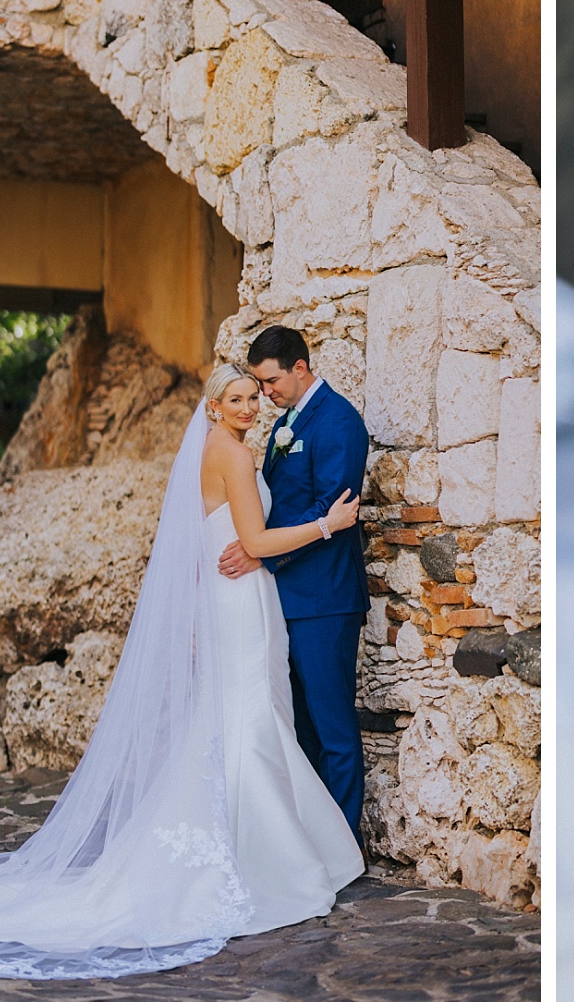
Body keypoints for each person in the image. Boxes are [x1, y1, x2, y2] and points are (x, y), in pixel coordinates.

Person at [0, 364, 363, 978]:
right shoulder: (233, 456)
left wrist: (256, 543)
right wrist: (330, 524)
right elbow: (253, 540)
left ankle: (265, 848)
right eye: (238, 399)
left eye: (255, 397)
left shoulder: (209, 449)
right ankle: (270, 862)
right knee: (252, 716)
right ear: (215, 407)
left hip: (239, 601)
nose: (252, 407)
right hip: (242, 605)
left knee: (241, 715)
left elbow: (231, 539)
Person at [219, 327, 372, 849]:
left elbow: (336, 506)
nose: (264, 395)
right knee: (299, 727)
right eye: (257, 386)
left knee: (332, 727)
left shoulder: (338, 421)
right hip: (286, 595)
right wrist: (256, 541)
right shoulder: (289, 422)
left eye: (269, 381)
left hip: (325, 599)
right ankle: (313, 841)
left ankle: (344, 846)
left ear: (300, 368)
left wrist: (261, 548)